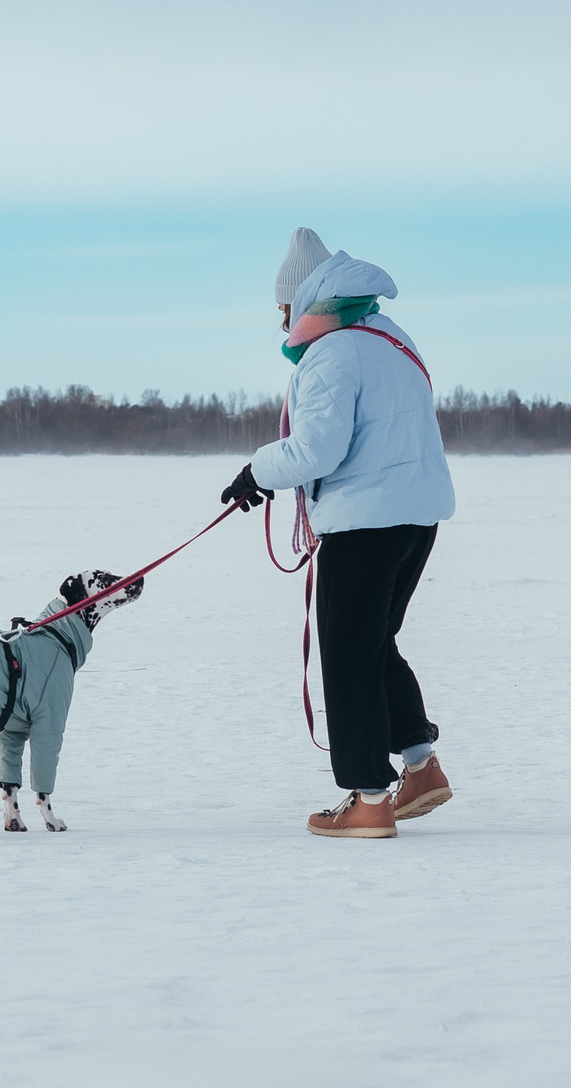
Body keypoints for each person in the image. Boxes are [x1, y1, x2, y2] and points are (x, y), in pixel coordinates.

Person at [222, 228, 457, 838]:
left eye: (284, 305)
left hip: (364, 522)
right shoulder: (389, 336)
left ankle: (369, 799)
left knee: (349, 656)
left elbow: (318, 450)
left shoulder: (332, 353)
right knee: (372, 643)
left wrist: (255, 471)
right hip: (416, 516)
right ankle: (421, 767)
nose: (282, 319)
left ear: (307, 296)